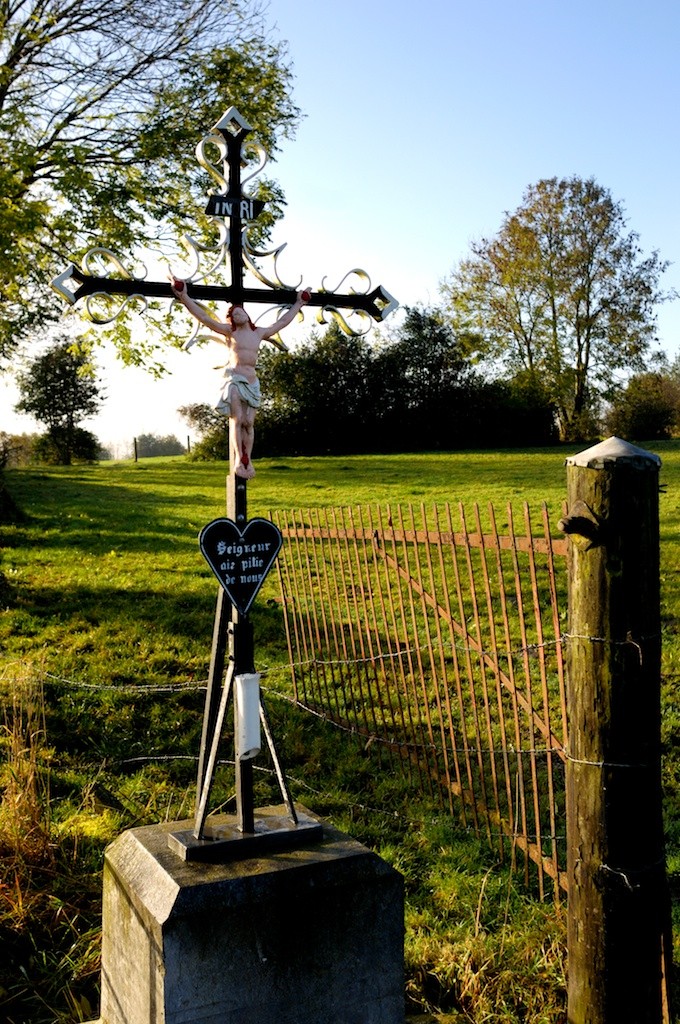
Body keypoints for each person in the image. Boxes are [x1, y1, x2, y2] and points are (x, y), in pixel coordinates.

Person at [169, 278, 310, 478]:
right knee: (237, 420)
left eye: (239, 312)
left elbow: (283, 322)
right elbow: (204, 317)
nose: (237, 314)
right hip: (235, 380)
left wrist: (299, 303)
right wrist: (184, 297)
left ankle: (248, 460)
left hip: (252, 382)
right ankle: (237, 460)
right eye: (234, 314)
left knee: (249, 424)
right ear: (232, 320)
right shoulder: (229, 332)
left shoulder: (259, 333)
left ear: (246, 314)